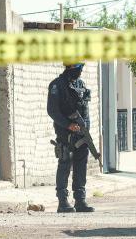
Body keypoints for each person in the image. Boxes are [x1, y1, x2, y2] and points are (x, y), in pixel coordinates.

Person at [47, 63, 95, 213]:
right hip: (64, 132)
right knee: (65, 162)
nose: (80, 72)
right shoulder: (56, 85)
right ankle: (62, 201)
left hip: (81, 132)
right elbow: (52, 111)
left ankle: (80, 200)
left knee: (81, 165)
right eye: (78, 69)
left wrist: (85, 128)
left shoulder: (80, 84)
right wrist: (68, 125)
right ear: (71, 68)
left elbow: (85, 109)